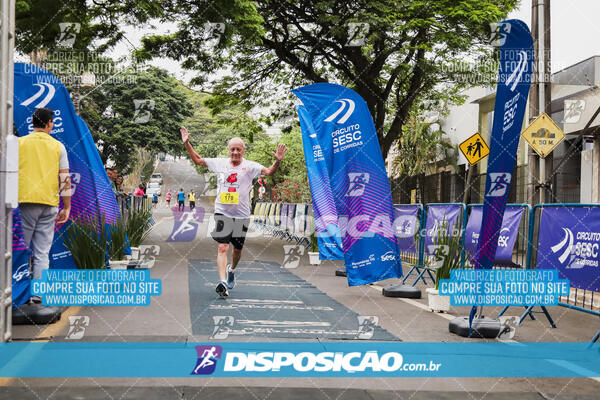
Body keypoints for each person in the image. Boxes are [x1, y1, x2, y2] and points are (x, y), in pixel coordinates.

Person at [181, 125, 286, 297]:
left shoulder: (250, 166)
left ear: (243, 150)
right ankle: (222, 281)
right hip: (223, 212)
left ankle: (232, 270)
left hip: (241, 215)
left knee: (237, 250)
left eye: (238, 149)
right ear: (228, 150)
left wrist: (278, 160)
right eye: (232, 149)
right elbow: (198, 160)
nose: (235, 152)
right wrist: (187, 144)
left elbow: (269, 172)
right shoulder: (220, 163)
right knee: (222, 247)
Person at [18, 108, 71, 304]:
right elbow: (65, 178)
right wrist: (67, 207)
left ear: (33, 123)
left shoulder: (19, 143)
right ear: (49, 123)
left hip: (24, 203)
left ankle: (20, 293)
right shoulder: (58, 146)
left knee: (21, 249)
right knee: (42, 252)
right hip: (49, 204)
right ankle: (38, 295)